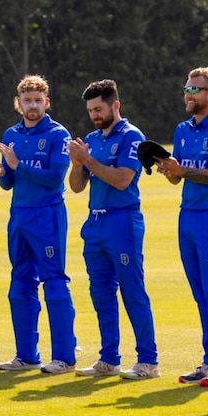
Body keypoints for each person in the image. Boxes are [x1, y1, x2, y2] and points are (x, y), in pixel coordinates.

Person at [67, 80, 159, 379]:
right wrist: (76, 164)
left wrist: (88, 160)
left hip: (122, 221)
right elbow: (77, 187)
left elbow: (122, 179)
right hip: (95, 222)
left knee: (132, 291)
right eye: (90, 110)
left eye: (99, 109)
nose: (94, 115)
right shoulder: (92, 138)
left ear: (115, 105)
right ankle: (109, 358)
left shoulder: (132, 136)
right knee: (100, 293)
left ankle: (148, 361)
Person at [155, 67, 208, 388]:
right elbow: (179, 174)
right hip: (188, 214)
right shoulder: (182, 130)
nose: (188, 94)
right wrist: (169, 170)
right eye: (187, 88)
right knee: (199, 291)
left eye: (195, 89)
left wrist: (183, 170)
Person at [0, 75, 77, 374]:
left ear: (47, 102)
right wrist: (3, 172)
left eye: (38, 100)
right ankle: (26, 355)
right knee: (20, 284)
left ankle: (64, 357)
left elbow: (54, 179)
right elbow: (9, 183)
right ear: (18, 104)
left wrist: (18, 165)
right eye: (28, 101)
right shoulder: (11, 135)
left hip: (47, 214)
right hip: (20, 215)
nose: (33, 105)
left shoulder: (57, 134)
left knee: (53, 282)